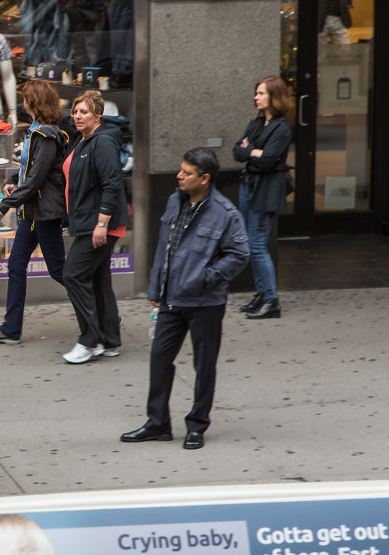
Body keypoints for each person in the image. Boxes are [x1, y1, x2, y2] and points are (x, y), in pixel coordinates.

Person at [120, 148, 248, 451]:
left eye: (187, 173)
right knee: (159, 359)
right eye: (180, 170)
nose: (179, 176)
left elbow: (239, 254)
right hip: (171, 300)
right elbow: (163, 248)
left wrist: (205, 277)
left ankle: (197, 425)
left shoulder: (225, 213)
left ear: (204, 179)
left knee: (204, 366)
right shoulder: (174, 201)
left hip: (205, 303)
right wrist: (155, 288)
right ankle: (158, 423)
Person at [0, 79, 68, 344]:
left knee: (58, 271)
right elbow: (29, 168)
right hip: (32, 213)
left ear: (35, 103)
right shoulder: (37, 131)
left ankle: (102, 311)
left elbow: (37, 179)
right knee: (16, 265)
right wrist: (12, 178)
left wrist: (5, 205)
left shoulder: (48, 134)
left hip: (44, 213)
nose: (24, 104)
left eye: (26, 99)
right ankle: (11, 328)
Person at [60, 90, 130, 364]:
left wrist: (102, 223)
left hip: (100, 224)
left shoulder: (101, 142)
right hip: (89, 221)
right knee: (99, 280)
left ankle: (90, 341)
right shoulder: (84, 140)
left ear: (98, 115)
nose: (77, 116)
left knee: (73, 274)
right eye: (75, 112)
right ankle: (110, 340)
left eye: (84, 112)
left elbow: (112, 183)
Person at [232, 76, 292, 320]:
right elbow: (238, 151)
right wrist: (253, 152)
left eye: (261, 93)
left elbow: (268, 161)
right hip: (249, 186)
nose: (256, 97)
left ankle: (271, 300)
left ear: (274, 97)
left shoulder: (282, 128)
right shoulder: (256, 124)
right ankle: (262, 293)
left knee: (257, 245)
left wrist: (253, 152)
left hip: (265, 190)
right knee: (250, 244)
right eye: (256, 93)